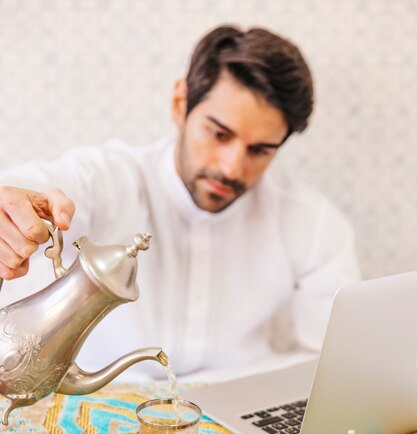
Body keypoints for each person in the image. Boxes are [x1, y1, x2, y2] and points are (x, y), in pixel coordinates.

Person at [0, 25, 359, 382]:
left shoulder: (314, 223)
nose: (231, 167)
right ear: (180, 104)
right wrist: (14, 208)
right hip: (102, 403)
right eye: (219, 134)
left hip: (244, 403)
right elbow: (34, 190)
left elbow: (333, 363)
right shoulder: (110, 177)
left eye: (260, 150)